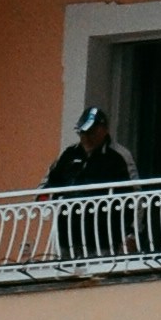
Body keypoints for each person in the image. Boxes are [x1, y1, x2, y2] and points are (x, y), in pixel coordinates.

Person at [43, 103, 132, 266]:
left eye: (91, 132)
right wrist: (46, 201)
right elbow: (51, 183)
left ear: (103, 130)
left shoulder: (116, 158)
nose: (86, 137)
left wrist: (129, 232)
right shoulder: (69, 155)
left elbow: (129, 197)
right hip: (68, 233)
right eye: (82, 132)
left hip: (102, 237)